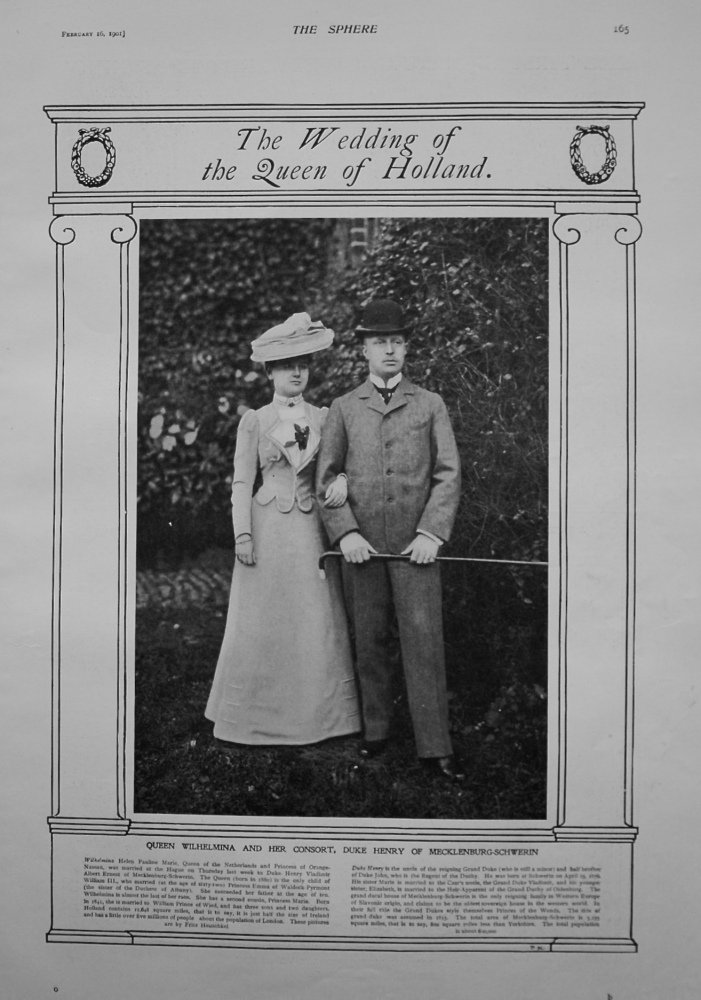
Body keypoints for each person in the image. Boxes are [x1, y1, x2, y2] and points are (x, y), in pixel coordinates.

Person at [316, 299, 463, 780]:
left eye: (397, 341)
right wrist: (347, 533)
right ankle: (375, 733)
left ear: (407, 348)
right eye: (380, 342)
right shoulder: (343, 408)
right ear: (364, 350)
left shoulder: (429, 404)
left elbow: (448, 474)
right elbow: (326, 480)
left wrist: (432, 533)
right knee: (371, 641)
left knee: (424, 642)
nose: (390, 350)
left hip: (415, 549)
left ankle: (434, 744)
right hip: (363, 551)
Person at [205, 313, 361, 745]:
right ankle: (253, 717)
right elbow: (241, 480)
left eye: (304, 364)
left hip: (310, 527)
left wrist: (343, 482)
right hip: (268, 526)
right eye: (288, 364)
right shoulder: (255, 420)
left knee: (314, 617)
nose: (297, 372)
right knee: (262, 619)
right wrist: (243, 534)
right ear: (270, 371)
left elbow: (336, 468)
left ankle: (320, 718)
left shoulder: (324, 417)